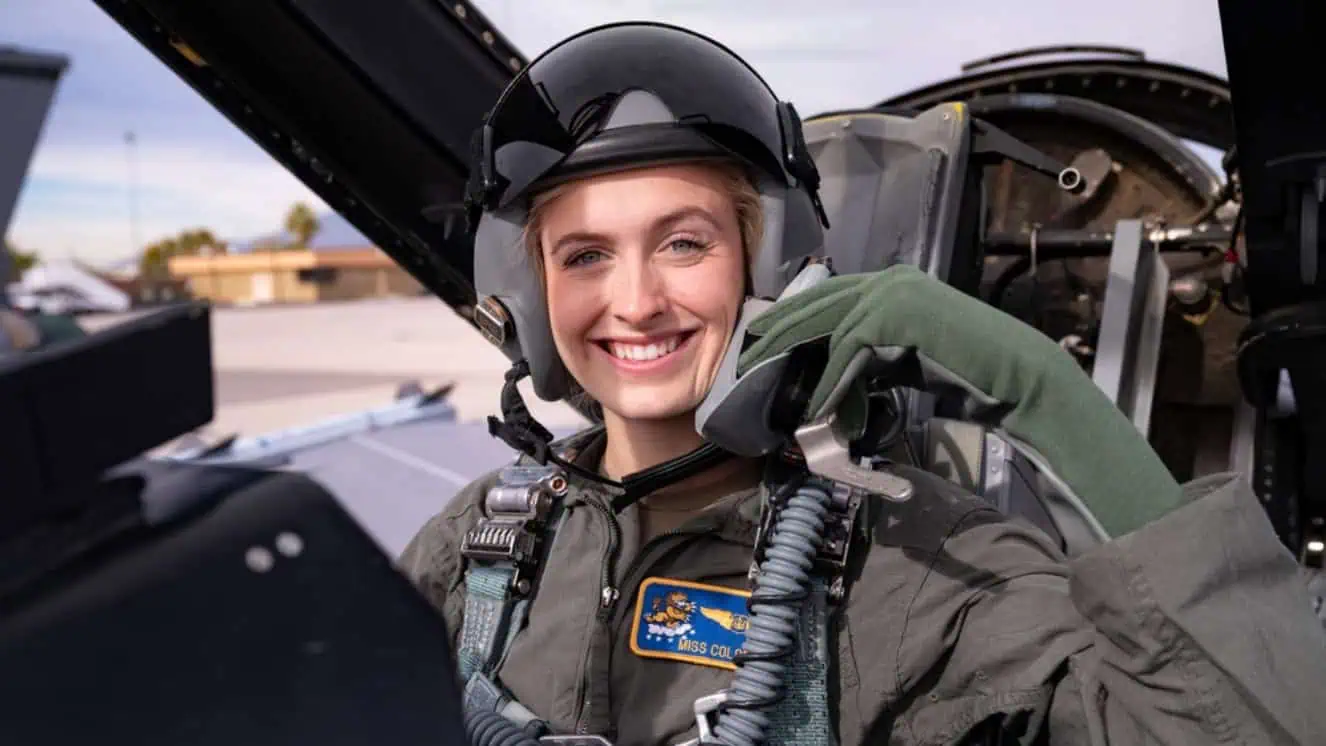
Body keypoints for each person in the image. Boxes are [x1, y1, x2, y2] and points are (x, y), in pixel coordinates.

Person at [400, 21, 1326, 746]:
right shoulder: (480, 547)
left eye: (685, 243)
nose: (635, 301)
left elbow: (1257, 725)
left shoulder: (920, 560)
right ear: (530, 295)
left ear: (772, 266)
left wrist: (1045, 392)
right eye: (587, 255)